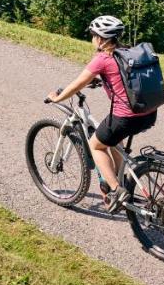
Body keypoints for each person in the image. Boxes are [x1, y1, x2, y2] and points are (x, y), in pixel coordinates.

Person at [46, 15, 157, 211]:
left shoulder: (102, 58)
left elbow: (77, 83)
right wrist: (101, 80)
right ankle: (120, 179)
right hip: (148, 113)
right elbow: (121, 78)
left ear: (101, 38)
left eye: (93, 35)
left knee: (96, 145)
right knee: (114, 142)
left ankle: (117, 191)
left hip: (126, 118)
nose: (92, 38)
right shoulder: (126, 53)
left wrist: (58, 97)